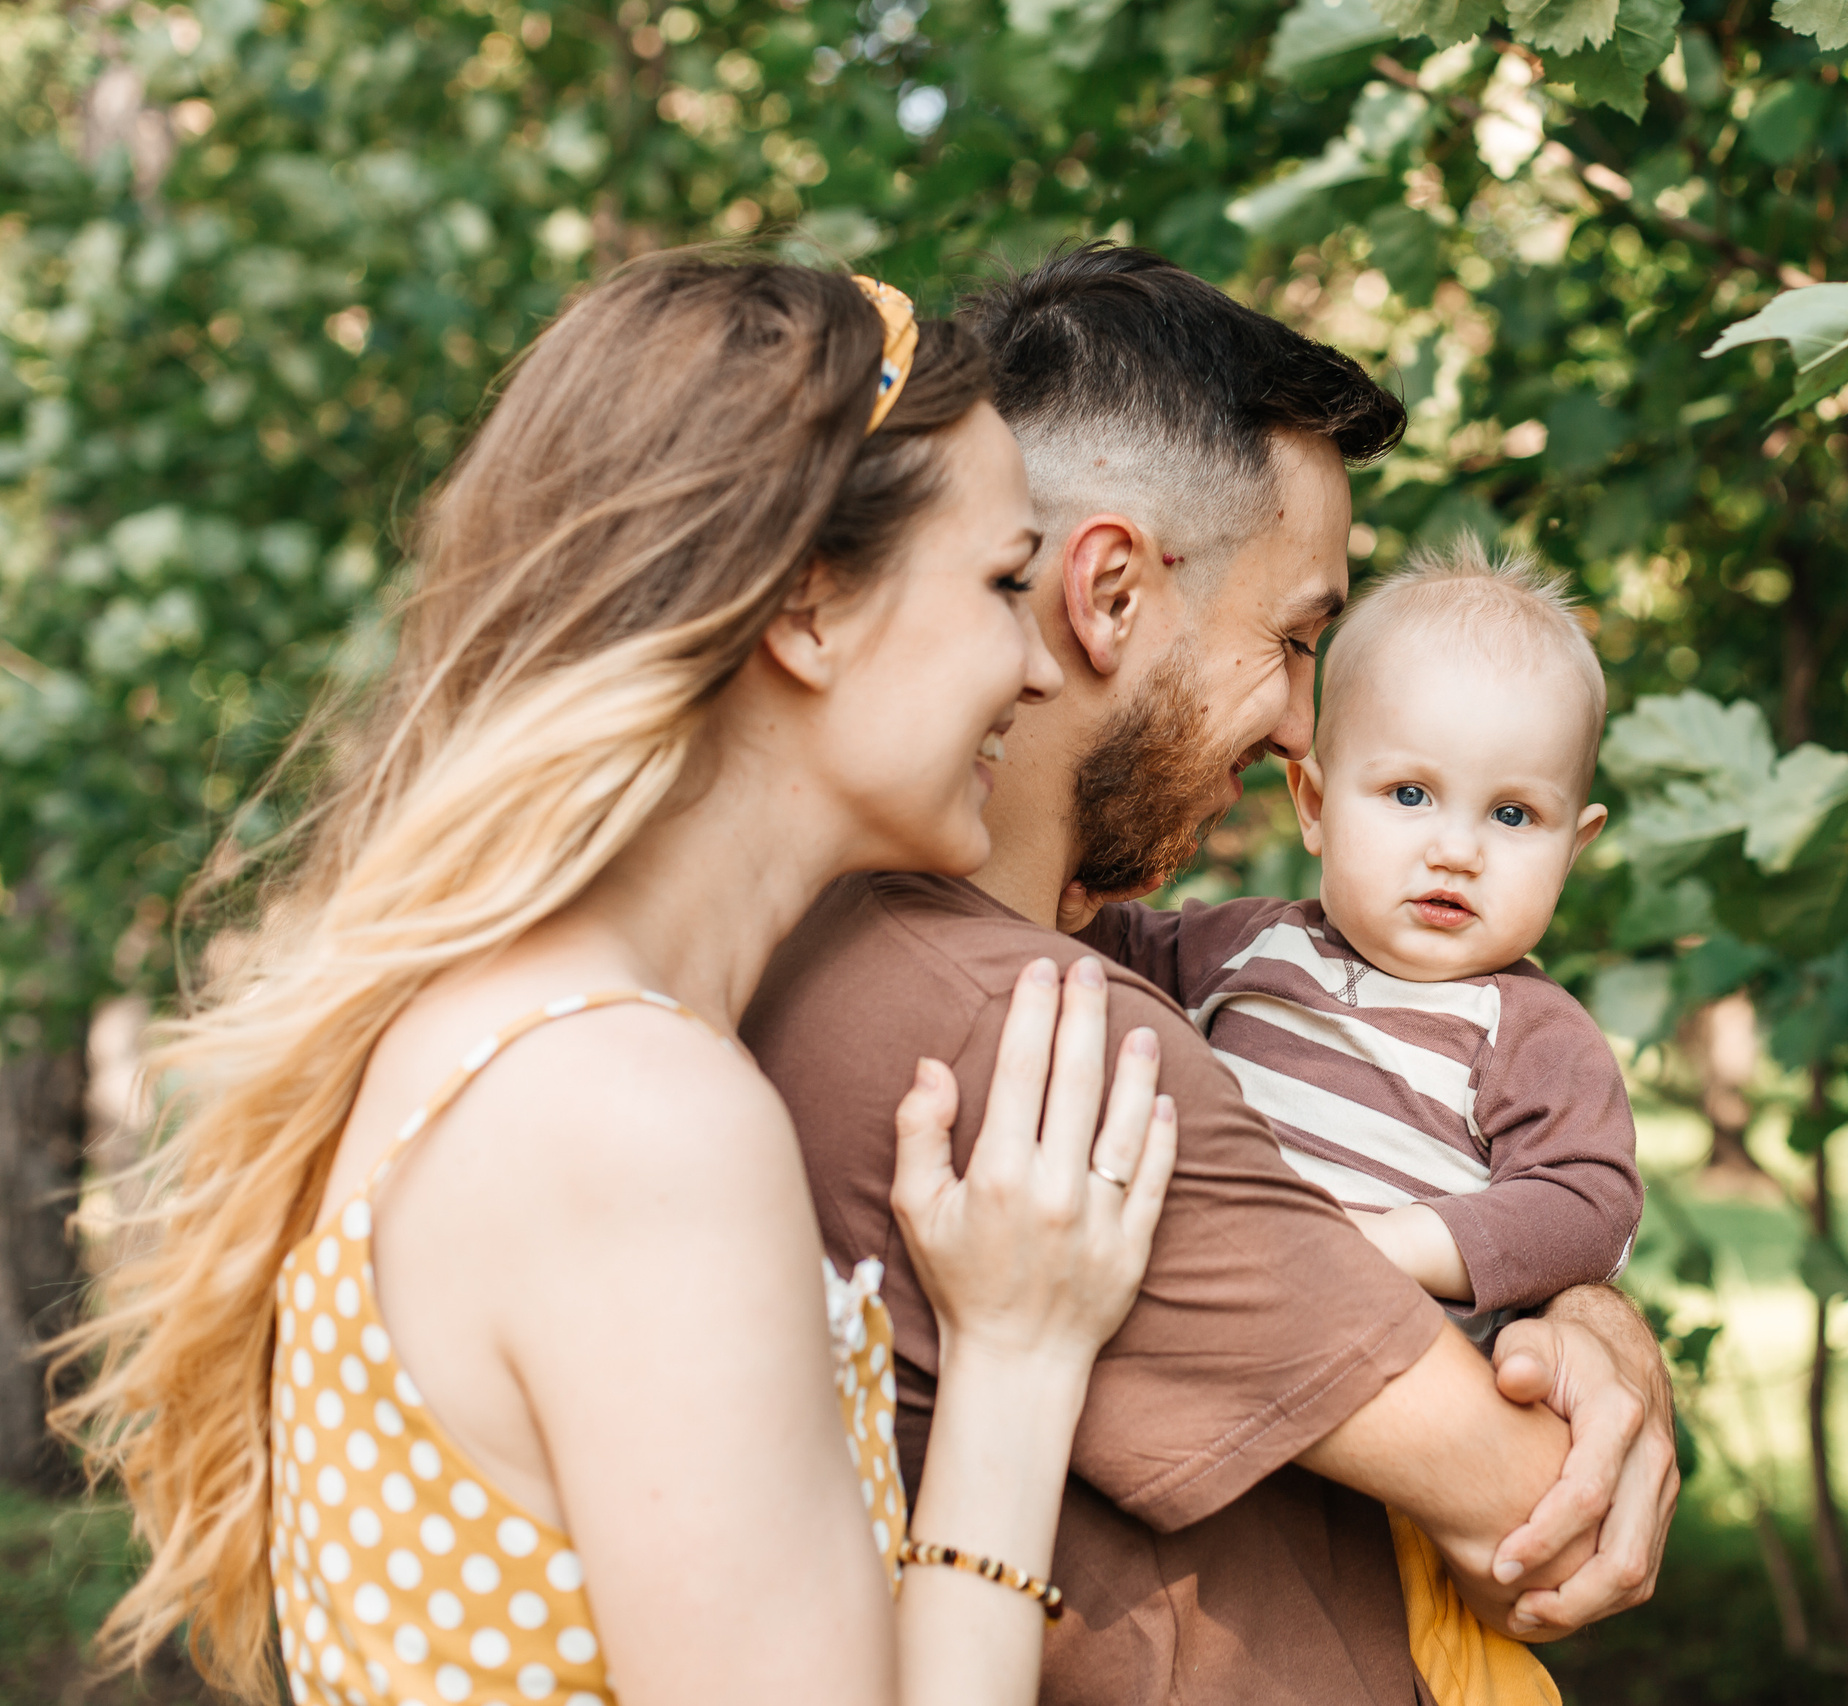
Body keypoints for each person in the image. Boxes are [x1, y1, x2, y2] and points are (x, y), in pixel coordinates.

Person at [52, 255, 1182, 1706]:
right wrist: (1019, 1365)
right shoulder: (634, 1118)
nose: (1038, 669)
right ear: (809, 607)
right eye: (1002, 581)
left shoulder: (493, 1039)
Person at [745, 245, 1678, 1706]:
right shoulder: (1045, 1045)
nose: (1308, 727)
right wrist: (1598, 1338)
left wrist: (1585, 1302)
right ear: (1110, 592)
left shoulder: (880, 941)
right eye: (1296, 638)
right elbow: (1537, 1508)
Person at [1075, 537, 1642, 1706]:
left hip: (1404, 1443)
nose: (1455, 847)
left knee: (1439, 1665)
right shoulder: (1239, 948)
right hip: (1218, 1399)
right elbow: (1077, 931)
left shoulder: (1524, 1028)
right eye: (1410, 793)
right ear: (1314, 801)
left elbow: (1586, 1204)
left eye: (1513, 814)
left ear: (1574, 845)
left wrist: (1397, 1243)